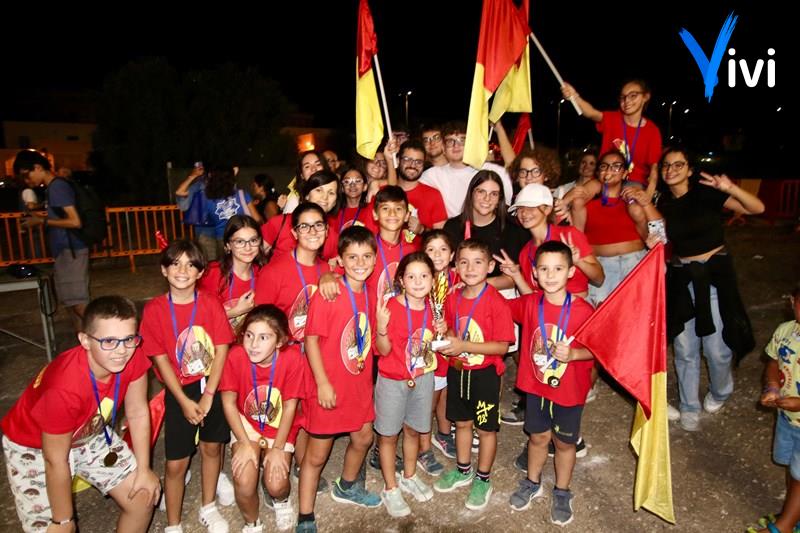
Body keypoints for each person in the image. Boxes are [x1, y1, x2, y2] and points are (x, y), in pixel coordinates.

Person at [1, 295, 160, 533]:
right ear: (85, 340)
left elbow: (137, 412)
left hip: (88, 431)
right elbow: (55, 460)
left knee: (143, 497)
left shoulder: (133, 355)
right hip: (35, 446)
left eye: (128, 339)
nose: (121, 351)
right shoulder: (64, 388)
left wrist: (145, 469)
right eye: (109, 341)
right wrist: (63, 520)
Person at [658, 146, 763, 431]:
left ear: (690, 169)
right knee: (685, 348)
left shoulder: (706, 193)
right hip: (682, 279)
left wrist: (731, 189)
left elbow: (757, 208)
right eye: (666, 165)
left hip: (714, 277)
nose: (671, 170)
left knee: (717, 349)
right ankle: (689, 405)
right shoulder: (663, 203)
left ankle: (721, 390)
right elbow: (655, 235)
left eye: (678, 164)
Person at [139, 239, 234, 533]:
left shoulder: (210, 303)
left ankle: (208, 506)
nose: (182, 270)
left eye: (191, 265)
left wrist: (209, 395)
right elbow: (160, 359)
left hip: (211, 385)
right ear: (164, 270)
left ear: (200, 272)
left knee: (212, 449)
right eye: (175, 264)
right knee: (176, 463)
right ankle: (173, 524)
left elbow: (221, 348)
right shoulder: (154, 309)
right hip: (179, 391)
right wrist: (182, 400)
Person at [297, 226, 381, 532]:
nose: (360, 263)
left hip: (358, 385)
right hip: (329, 386)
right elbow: (310, 340)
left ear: (375, 259)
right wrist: (322, 383)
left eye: (366, 256)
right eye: (352, 257)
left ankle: (347, 485)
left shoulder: (369, 292)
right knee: (317, 455)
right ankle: (305, 515)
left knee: (363, 437)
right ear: (340, 261)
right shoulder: (329, 294)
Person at [505, 241, 595, 526]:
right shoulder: (530, 303)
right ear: (534, 272)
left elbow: (600, 349)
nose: (550, 275)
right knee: (537, 438)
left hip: (568, 393)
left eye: (558, 268)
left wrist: (575, 354)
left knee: (565, 444)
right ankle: (532, 482)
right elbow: (496, 307)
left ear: (571, 272)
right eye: (544, 269)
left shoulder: (583, 310)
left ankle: (562, 491)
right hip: (536, 388)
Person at [432, 239, 514, 511]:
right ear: (455, 266)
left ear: (490, 267)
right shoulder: (453, 297)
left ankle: (483, 478)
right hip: (459, 371)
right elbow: (453, 332)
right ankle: (463, 469)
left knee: (486, 429)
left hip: (485, 375)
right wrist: (446, 332)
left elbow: (502, 347)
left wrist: (464, 345)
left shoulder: (497, 303)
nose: (470, 268)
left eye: (478, 262)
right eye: (464, 262)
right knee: (462, 424)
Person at [219, 305, 306, 532]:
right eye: (249, 335)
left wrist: (277, 448)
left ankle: (282, 501)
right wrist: (244, 443)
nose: (253, 344)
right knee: (243, 480)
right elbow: (228, 403)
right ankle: (252, 522)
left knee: (276, 483)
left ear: (280, 341)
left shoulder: (292, 358)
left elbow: (290, 406)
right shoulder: (235, 356)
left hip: (279, 424)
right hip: (247, 423)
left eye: (263, 337)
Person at [374, 252, 437, 517]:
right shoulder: (389, 307)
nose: (418, 281)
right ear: (401, 280)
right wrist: (381, 327)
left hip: (422, 377)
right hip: (392, 380)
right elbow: (383, 350)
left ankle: (409, 475)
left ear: (433, 279)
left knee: (413, 430)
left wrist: (443, 329)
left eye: (424, 276)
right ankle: (390, 487)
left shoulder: (435, 307)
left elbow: (433, 342)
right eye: (411, 276)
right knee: (388, 435)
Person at [572, 151, 664, 307]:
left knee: (635, 316)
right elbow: (577, 238)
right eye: (604, 166)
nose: (609, 170)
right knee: (602, 318)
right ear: (598, 172)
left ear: (625, 173)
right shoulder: (583, 205)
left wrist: (646, 203)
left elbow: (659, 235)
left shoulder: (634, 203)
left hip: (634, 264)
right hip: (600, 269)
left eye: (616, 166)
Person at [14, 150, 88, 332]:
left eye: (26, 175)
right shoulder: (52, 188)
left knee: (79, 304)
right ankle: (83, 345)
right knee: (71, 305)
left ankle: (110, 337)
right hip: (65, 251)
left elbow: (75, 221)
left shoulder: (57, 187)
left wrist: (41, 221)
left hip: (72, 250)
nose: (26, 181)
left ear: (38, 167)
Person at [756, 284, 800, 533]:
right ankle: (793, 515)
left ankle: (784, 527)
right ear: (792, 302)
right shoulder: (786, 331)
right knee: (792, 469)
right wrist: (772, 386)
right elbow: (773, 360)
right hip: (787, 419)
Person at [443, 170, 529, 292]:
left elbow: (511, 279)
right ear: (471, 194)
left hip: (500, 293)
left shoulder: (511, 229)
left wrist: (475, 284)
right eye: (481, 191)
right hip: (457, 291)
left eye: (494, 194)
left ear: (499, 199)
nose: (486, 198)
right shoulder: (453, 227)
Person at [417, 230, 458, 473]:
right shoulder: (420, 279)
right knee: (428, 402)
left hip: (451, 346)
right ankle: (423, 449)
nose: (437, 255)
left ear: (452, 254)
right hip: (429, 349)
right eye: (431, 250)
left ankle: (443, 433)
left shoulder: (458, 278)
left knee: (446, 394)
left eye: (443, 249)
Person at [420, 121, 514, 218]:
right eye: (450, 141)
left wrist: (499, 128)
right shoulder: (431, 176)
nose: (456, 145)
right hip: (451, 226)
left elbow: (506, 204)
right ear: (443, 148)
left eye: (462, 140)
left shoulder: (495, 171)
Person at [199, 215, 265, 334]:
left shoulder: (263, 274)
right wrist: (234, 312)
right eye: (240, 242)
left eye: (253, 240)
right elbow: (199, 318)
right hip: (217, 341)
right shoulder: (213, 274)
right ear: (228, 245)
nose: (248, 247)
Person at [261, 171, 340, 260]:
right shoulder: (279, 223)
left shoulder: (333, 238)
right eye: (318, 190)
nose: (324, 197)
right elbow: (254, 255)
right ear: (307, 195)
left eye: (331, 193)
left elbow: (332, 267)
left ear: (335, 202)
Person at [383, 138, 448, 234]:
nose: (413, 165)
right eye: (407, 159)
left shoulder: (433, 195)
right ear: (398, 160)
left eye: (418, 162)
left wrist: (422, 230)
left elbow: (441, 236)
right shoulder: (382, 191)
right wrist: (389, 160)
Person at [203, 165, 261, 258]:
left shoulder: (208, 199)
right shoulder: (242, 194)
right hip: (243, 236)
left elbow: (208, 219)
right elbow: (257, 219)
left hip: (221, 238)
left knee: (225, 264)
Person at [335, 166, 374, 232]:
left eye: (358, 181)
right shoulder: (335, 213)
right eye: (347, 181)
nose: (352, 185)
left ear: (365, 187)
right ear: (342, 188)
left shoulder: (372, 207)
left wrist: (376, 182)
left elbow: (392, 189)